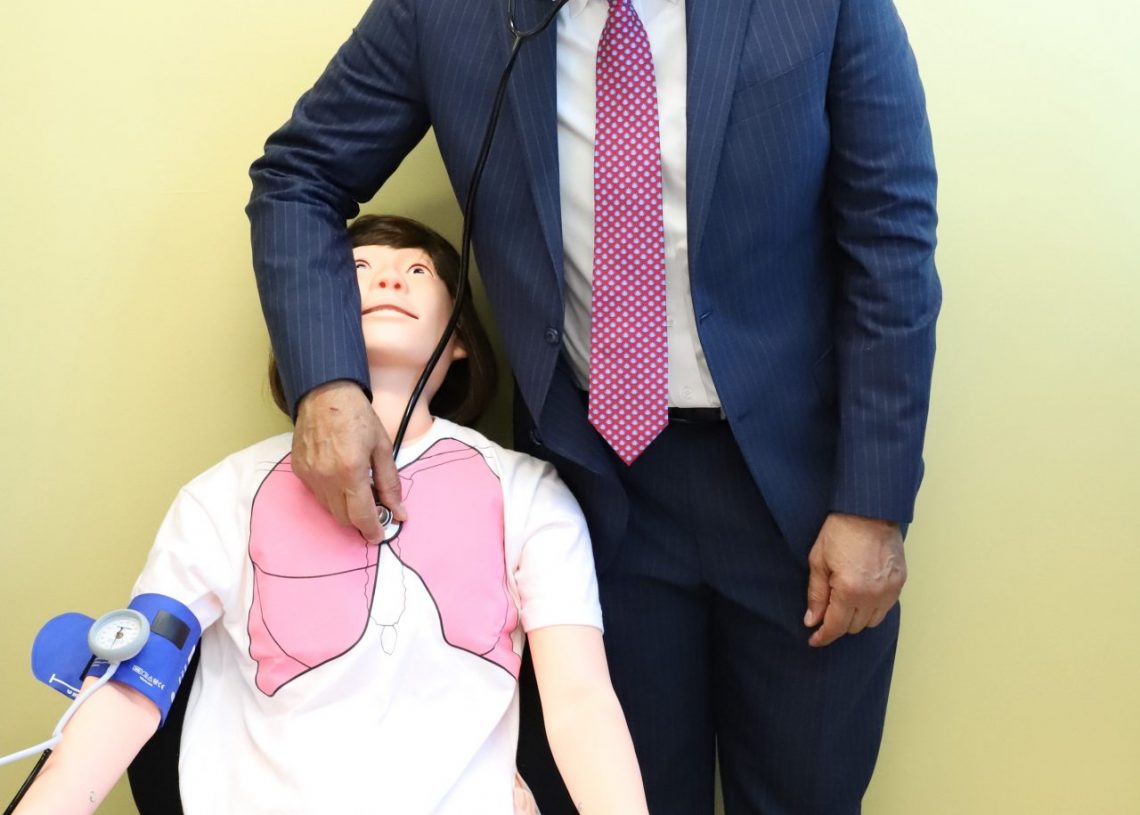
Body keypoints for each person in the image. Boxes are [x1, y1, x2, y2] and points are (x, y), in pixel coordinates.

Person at [245, 1, 941, 813]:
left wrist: (873, 501)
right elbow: (299, 176)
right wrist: (327, 381)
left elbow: (891, 235)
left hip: (802, 489)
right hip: (593, 490)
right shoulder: (445, 12)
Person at [12, 215, 649, 815]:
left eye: (418, 271)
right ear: (307, 319)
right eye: (359, 268)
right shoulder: (222, 494)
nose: (389, 279)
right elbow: (132, 687)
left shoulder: (528, 495)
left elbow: (581, 703)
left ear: (460, 340)